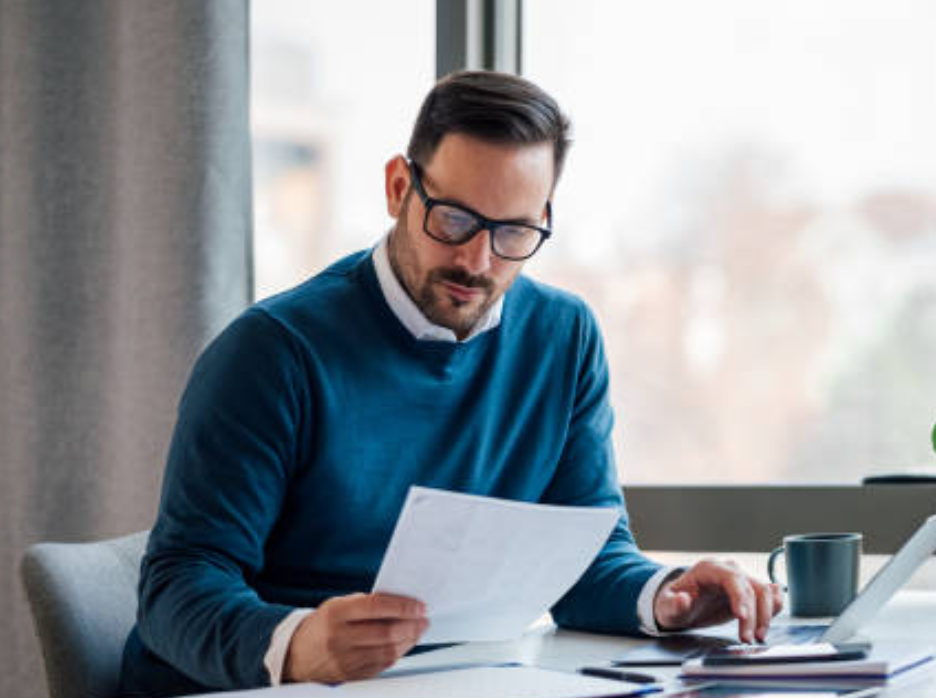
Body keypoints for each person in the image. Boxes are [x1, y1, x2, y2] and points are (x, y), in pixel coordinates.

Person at [119, 71, 781, 697]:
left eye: (513, 231)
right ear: (398, 188)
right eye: (456, 219)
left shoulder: (564, 338)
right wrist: (298, 643)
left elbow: (587, 558)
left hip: (440, 683)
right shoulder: (272, 353)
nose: (477, 260)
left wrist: (669, 595)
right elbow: (177, 588)